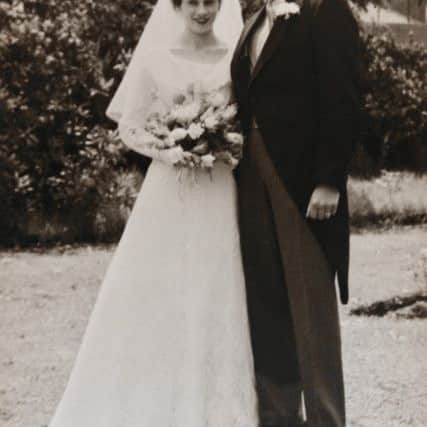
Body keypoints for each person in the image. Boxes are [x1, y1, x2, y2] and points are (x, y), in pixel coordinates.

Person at [49, 1, 259, 426]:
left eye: (211, 1)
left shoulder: (236, 54)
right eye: (193, 2)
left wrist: (223, 144)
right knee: (160, 286)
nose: (203, 10)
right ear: (177, 6)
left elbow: (247, 118)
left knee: (215, 283)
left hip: (218, 189)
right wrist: (167, 148)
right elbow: (129, 125)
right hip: (169, 190)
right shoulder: (156, 57)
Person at [231, 0, 361, 426]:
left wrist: (329, 179)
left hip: (303, 185)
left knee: (310, 309)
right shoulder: (252, 20)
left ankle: (326, 418)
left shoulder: (327, 11)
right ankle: (278, 416)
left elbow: (343, 96)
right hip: (250, 178)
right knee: (266, 302)